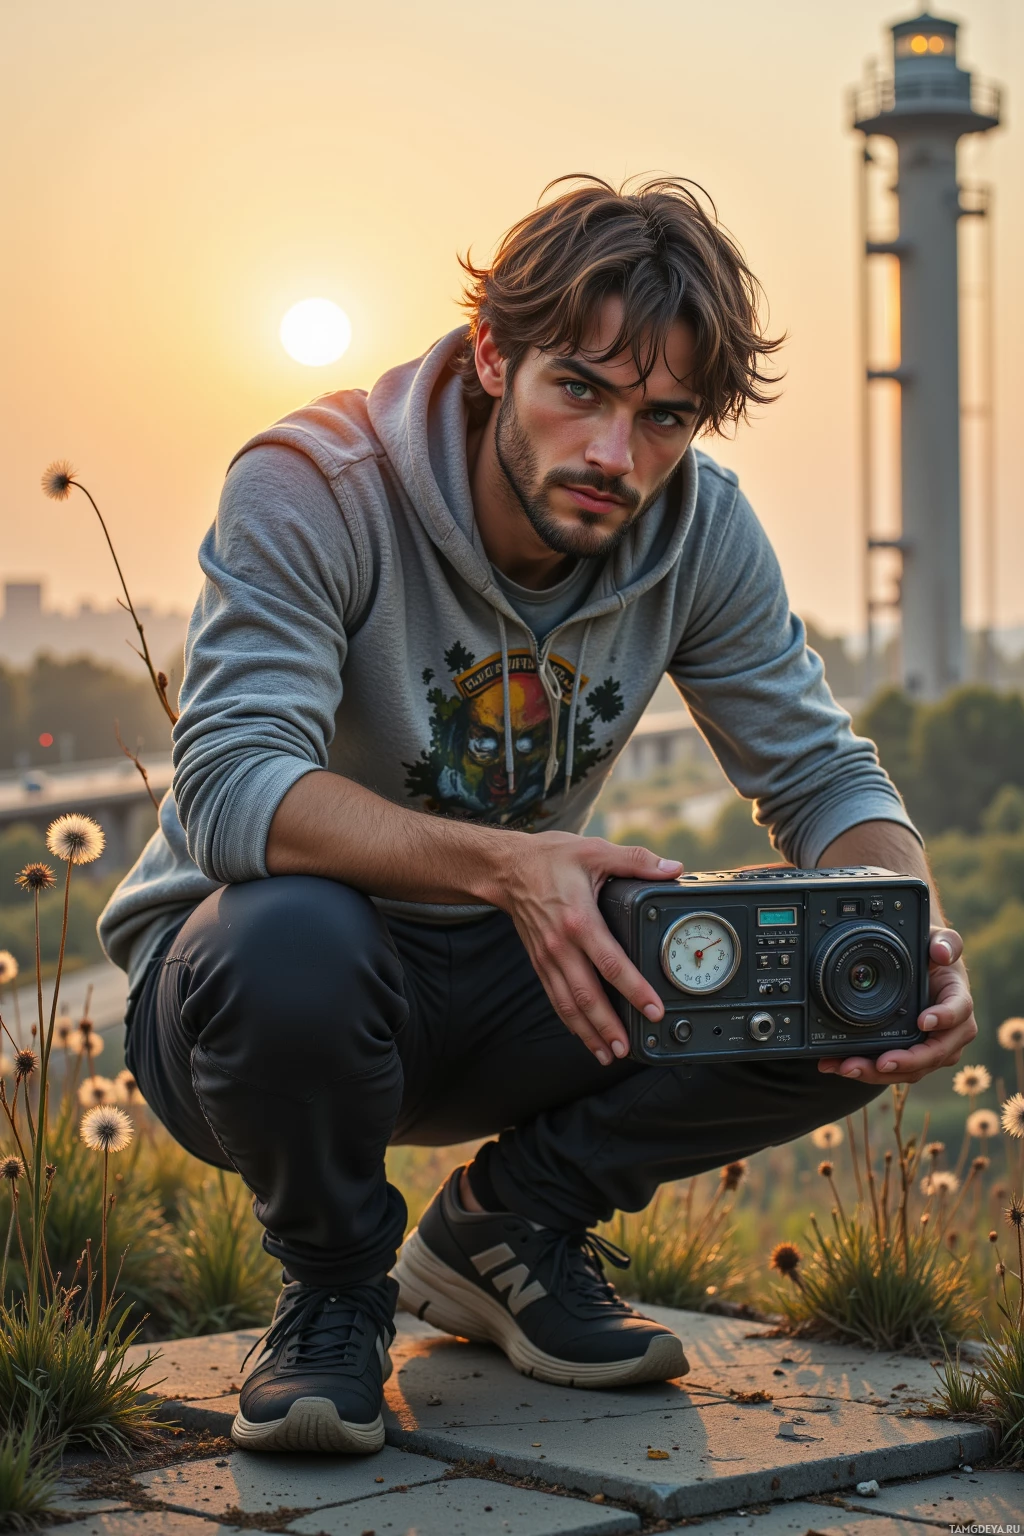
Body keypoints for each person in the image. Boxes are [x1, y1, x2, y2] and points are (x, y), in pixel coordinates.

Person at [99, 176, 976, 1456]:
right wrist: (510, 866)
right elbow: (230, 785)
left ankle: (510, 1225)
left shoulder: (696, 529)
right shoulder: (315, 483)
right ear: (493, 354)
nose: (617, 455)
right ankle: (336, 1288)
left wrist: (911, 933)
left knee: (845, 966)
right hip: (253, 1003)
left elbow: (821, 777)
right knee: (290, 936)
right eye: (582, 388)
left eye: (665, 417)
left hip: (520, 984)